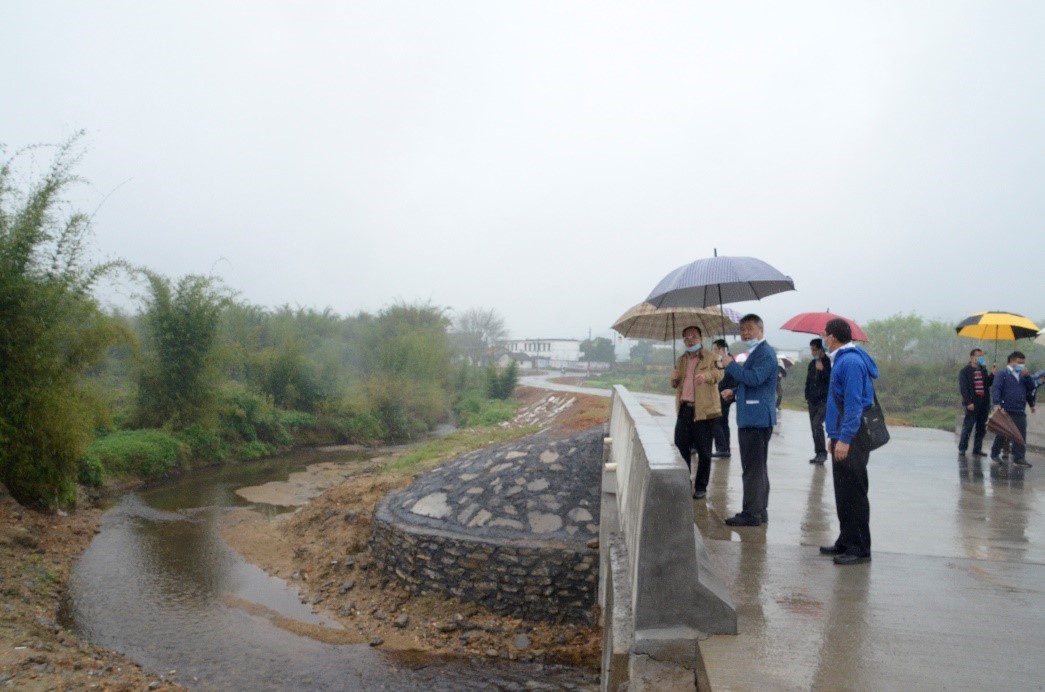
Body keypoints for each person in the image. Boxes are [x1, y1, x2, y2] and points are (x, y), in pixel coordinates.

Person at [820, 318, 879, 566]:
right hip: (842, 433)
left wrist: (844, 439)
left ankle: (859, 548)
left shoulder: (851, 362)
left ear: (833, 337)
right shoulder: (841, 360)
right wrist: (833, 435)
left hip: (853, 435)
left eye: (824, 335)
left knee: (854, 492)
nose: (823, 339)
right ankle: (846, 540)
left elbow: (854, 405)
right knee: (843, 491)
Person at [719, 314, 777, 527]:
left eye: (749, 328)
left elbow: (755, 378)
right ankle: (760, 510)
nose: (745, 333)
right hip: (753, 417)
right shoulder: (758, 352)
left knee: (752, 468)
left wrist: (730, 365)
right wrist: (734, 392)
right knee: (758, 467)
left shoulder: (765, 353)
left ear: (760, 330)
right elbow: (753, 384)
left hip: (757, 419)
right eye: (742, 329)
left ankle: (751, 513)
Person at [670, 326, 723, 499]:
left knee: (704, 452)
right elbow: (677, 385)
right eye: (686, 338)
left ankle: (701, 486)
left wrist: (706, 377)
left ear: (701, 338)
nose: (690, 340)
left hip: (704, 412)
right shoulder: (681, 360)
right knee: (680, 449)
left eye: (693, 336)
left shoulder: (711, 357)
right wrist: (674, 380)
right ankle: (684, 483)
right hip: (684, 409)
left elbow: (719, 374)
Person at [989, 351, 1037, 467]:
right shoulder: (1002, 374)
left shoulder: (1023, 375)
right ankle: (995, 453)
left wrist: (1027, 376)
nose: (1021, 365)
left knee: (1020, 434)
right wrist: (997, 403)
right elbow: (996, 388)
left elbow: (1031, 387)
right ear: (1011, 361)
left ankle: (1019, 457)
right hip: (1005, 409)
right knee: (1002, 432)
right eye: (1019, 362)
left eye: (1023, 363)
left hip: (1019, 409)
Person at [957, 348, 993, 458]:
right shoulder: (965, 371)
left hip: (984, 403)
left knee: (981, 428)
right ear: (972, 357)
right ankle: (962, 448)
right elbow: (964, 389)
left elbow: (987, 384)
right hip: (973, 403)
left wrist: (992, 374)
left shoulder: (983, 370)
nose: (981, 358)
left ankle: (977, 449)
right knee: (968, 426)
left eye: (982, 356)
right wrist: (968, 402)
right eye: (979, 356)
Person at [805, 338, 831, 464]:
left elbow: (832, 381)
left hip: (824, 400)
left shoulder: (829, 363)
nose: (813, 352)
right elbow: (808, 381)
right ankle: (818, 453)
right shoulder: (812, 364)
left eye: (815, 350)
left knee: (817, 424)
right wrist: (807, 396)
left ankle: (822, 453)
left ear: (821, 350)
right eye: (811, 349)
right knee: (813, 427)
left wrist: (823, 371)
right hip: (812, 400)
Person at [711, 338, 736, 458]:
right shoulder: (723, 359)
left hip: (725, 394)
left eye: (715, 349)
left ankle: (722, 448)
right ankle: (726, 449)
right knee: (723, 423)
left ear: (721, 349)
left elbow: (725, 377)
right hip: (724, 394)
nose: (714, 351)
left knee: (716, 421)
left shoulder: (727, 360)